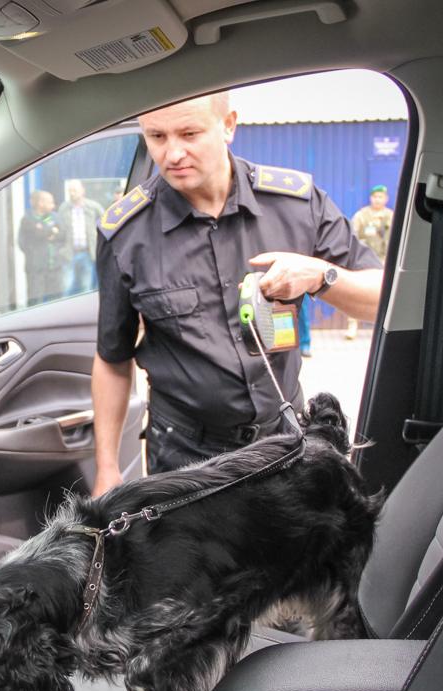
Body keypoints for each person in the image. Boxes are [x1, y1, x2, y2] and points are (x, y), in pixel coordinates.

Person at [91, 92, 384, 491]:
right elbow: (112, 358)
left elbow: (381, 298)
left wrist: (320, 275)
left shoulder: (296, 205)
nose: (172, 153)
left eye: (189, 133)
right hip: (185, 457)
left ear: (228, 125)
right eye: (156, 136)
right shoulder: (126, 233)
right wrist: (107, 468)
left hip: (283, 444)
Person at [347, 184, 393, 338]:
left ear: (386, 199)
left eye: (381, 196)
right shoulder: (362, 215)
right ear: (371, 198)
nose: (377, 200)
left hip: (384, 260)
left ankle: (381, 327)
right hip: (364, 260)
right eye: (375, 196)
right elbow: (352, 235)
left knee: (384, 294)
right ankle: (352, 327)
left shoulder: (391, 216)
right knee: (355, 291)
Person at [57, 179, 106, 295]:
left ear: (82, 190)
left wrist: (100, 246)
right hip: (69, 253)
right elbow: (59, 229)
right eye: (70, 190)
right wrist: (60, 250)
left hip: (87, 253)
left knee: (86, 286)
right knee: (66, 287)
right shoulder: (64, 208)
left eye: (75, 190)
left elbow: (105, 224)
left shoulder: (93, 207)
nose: (72, 193)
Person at [17, 190, 65, 305]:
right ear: (40, 203)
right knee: (35, 301)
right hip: (36, 269)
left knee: (56, 301)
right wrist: (50, 231)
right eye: (50, 202)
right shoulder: (28, 219)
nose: (53, 205)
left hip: (54, 266)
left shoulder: (54, 217)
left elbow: (63, 234)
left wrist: (49, 233)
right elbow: (26, 240)